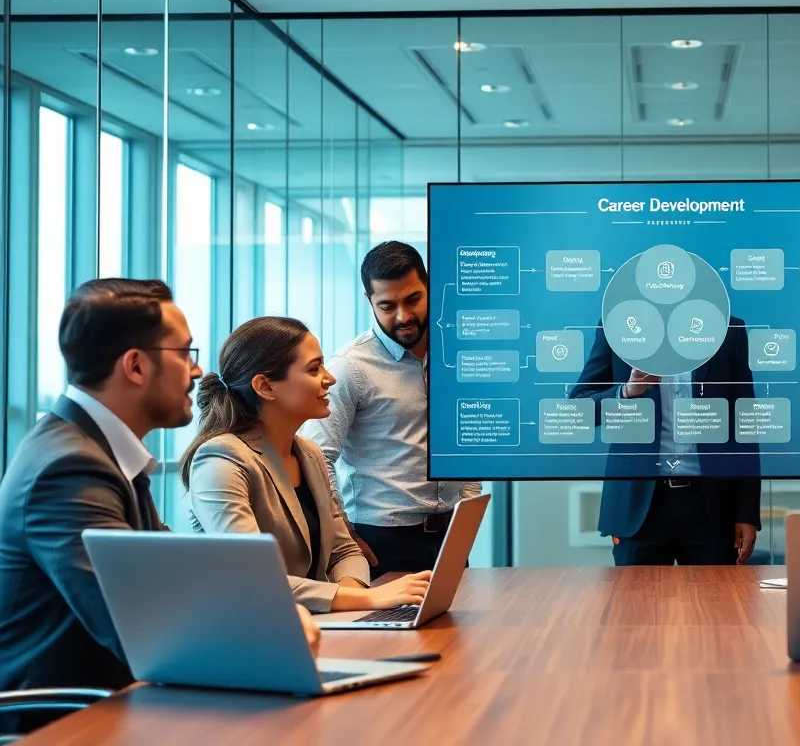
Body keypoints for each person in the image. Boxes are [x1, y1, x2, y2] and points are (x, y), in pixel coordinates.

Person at [0, 280, 318, 697]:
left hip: (126, 701)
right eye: (185, 353)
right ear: (135, 367)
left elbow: (176, 573)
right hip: (66, 721)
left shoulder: (100, 450)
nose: (199, 371)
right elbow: (141, 626)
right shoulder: (68, 468)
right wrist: (271, 626)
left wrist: (266, 612)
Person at [183, 316, 432, 614]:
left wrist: (348, 601)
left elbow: (345, 551)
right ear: (265, 386)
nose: (330, 378)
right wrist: (366, 599)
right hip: (250, 635)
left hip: (315, 627)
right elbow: (255, 577)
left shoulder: (309, 454)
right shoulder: (221, 459)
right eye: (314, 369)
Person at [302, 242, 481, 578]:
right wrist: (344, 536)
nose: (403, 317)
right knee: (386, 632)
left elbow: (467, 436)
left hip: (451, 535)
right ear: (370, 302)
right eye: (387, 306)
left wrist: (467, 514)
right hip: (380, 541)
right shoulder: (350, 368)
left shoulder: (457, 355)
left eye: (413, 299)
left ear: (429, 288)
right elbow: (317, 457)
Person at [570, 318, 761, 566]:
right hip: (638, 506)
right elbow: (578, 409)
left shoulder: (727, 330)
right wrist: (626, 391)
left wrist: (746, 512)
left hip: (712, 506)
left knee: (716, 604)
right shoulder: (616, 326)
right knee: (635, 603)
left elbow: (745, 423)